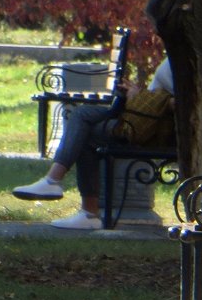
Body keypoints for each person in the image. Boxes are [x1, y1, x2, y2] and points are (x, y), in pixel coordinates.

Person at [12, 58, 174, 230]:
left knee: (83, 122)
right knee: (82, 116)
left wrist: (140, 97)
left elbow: (184, 103)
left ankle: (59, 186)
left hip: (152, 128)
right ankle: (74, 201)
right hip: (143, 119)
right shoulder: (181, 54)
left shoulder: (192, 61)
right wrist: (137, 94)